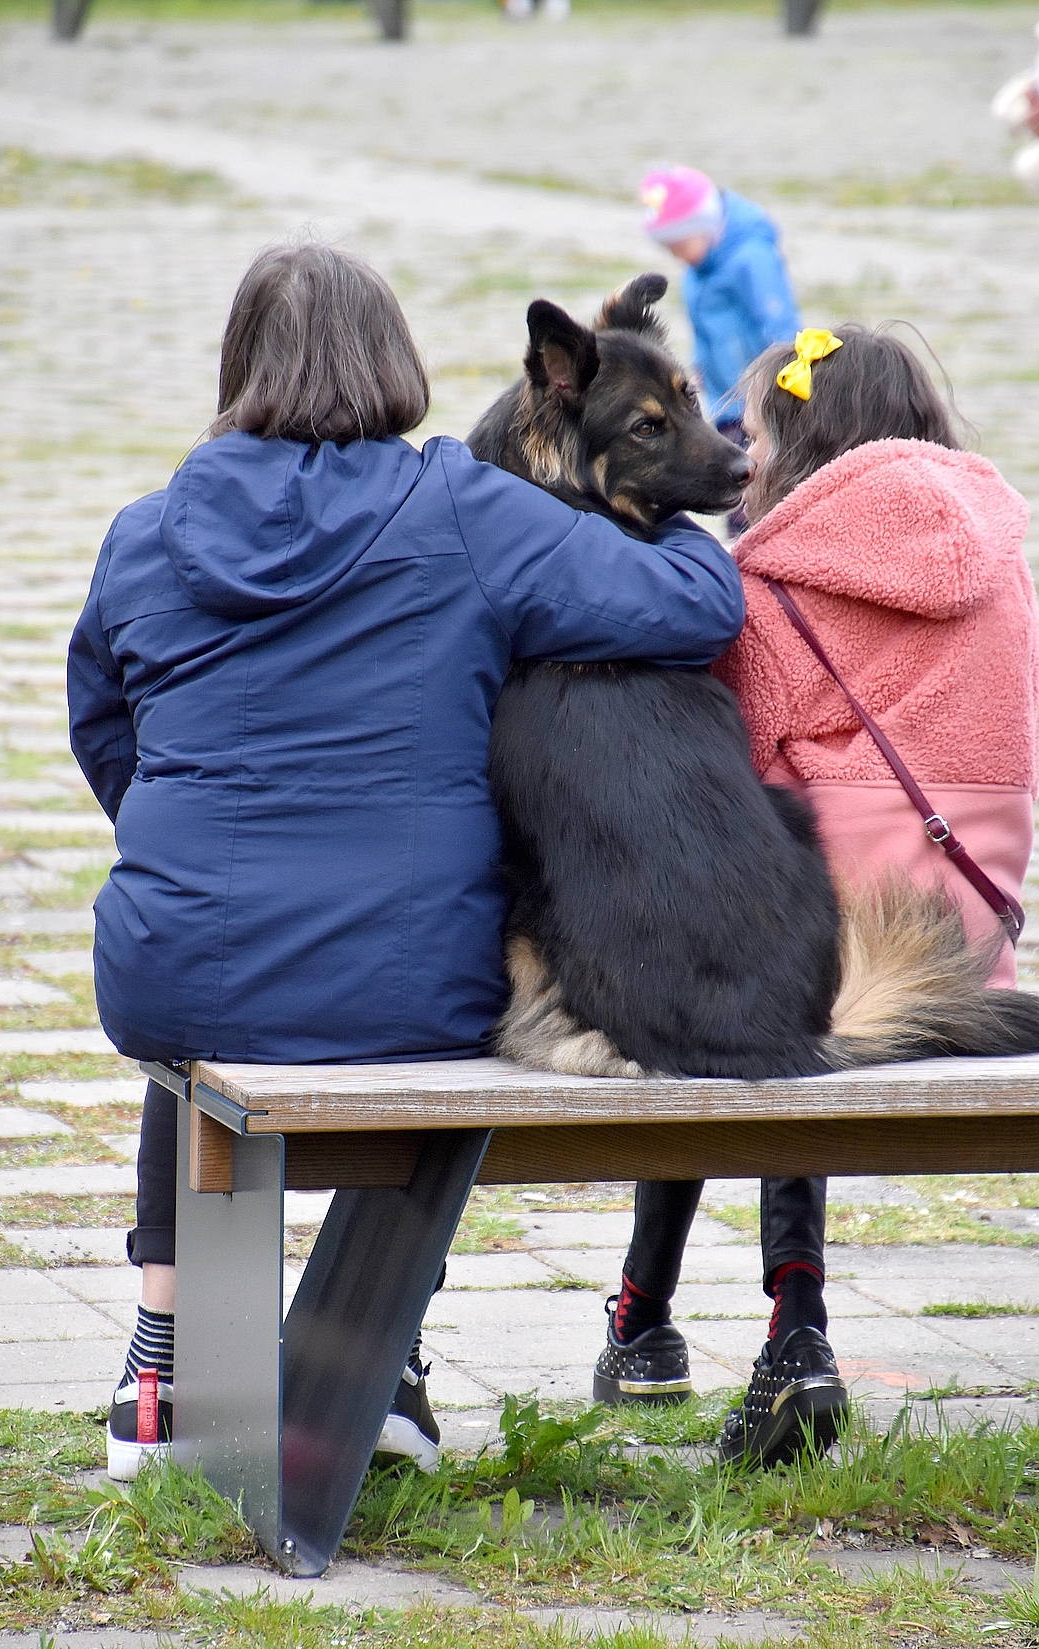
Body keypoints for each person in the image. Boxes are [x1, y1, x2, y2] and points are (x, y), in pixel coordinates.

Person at [67, 243, 746, 1482]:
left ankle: (157, 1373)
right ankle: (382, 1369)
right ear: (394, 364)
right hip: (410, 983)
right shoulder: (465, 508)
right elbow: (696, 611)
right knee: (399, 1006)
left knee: (199, 995)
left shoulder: (144, 533)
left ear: (239, 370)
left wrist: (190, 852)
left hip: (179, 965)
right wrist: (682, 517)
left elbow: (105, 730)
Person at [594, 324, 1039, 1471]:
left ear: (796, 443)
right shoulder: (998, 553)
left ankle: (738, 1319)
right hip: (964, 938)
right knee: (761, 957)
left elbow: (719, 785)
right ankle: (698, 1318)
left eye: (751, 434)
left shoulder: (768, 583)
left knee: (722, 963)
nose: (739, 459)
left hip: (840, 955)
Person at [639, 166, 800, 452]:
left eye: (679, 244)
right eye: (669, 247)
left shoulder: (751, 260)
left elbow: (780, 323)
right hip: (723, 401)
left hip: (761, 400)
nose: (676, 254)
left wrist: (783, 386)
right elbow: (702, 330)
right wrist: (699, 366)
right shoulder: (695, 274)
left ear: (703, 226)